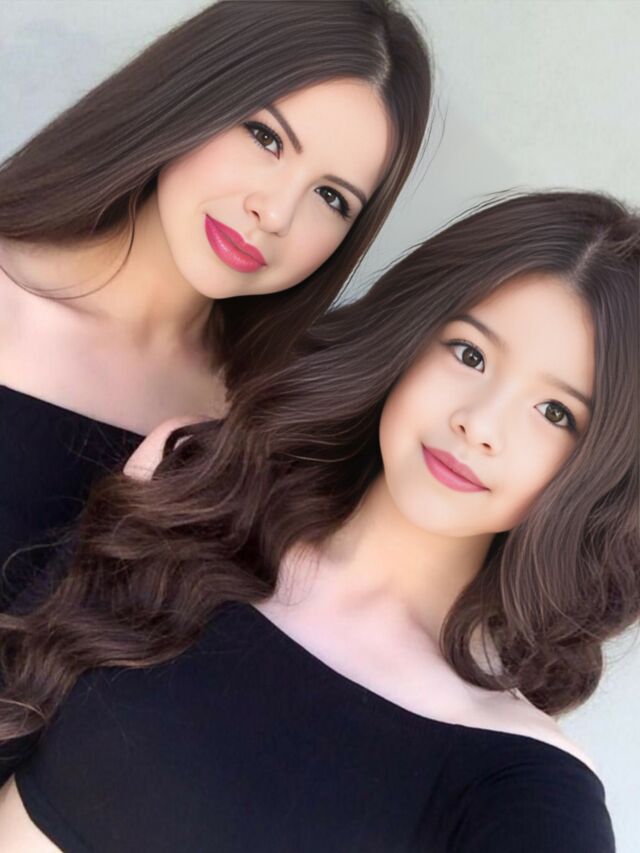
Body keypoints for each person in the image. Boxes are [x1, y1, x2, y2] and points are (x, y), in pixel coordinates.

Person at [0, 189, 636, 851]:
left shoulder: (518, 780)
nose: (480, 424)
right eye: (470, 355)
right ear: (411, 336)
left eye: (556, 413)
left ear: (601, 472)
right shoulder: (192, 488)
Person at [0, 0, 433, 609]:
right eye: (266, 138)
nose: (275, 213)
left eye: (331, 198)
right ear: (193, 95)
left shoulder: (263, 428)